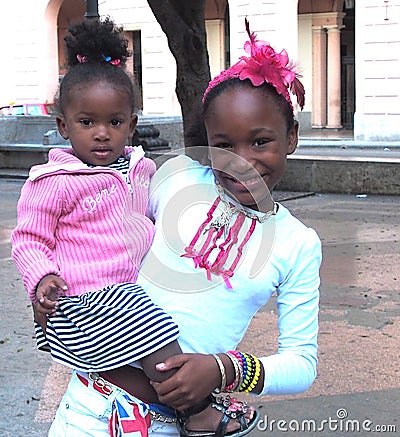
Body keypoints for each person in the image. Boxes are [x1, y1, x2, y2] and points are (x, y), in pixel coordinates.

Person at [42, 17, 322, 437]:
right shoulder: (174, 177)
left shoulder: (298, 243)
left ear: (292, 137)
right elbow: (89, 219)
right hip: (86, 410)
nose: (241, 161)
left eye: (260, 141)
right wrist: (46, 278)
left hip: (174, 425)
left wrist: (223, 370)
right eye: (224, 145)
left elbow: (302, 364)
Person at [11, 17, 256, 437]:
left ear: (132, 123)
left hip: (120, 300)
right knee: (154, 327)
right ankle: (197, 410)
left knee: (153, 334)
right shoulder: (54, 182)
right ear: (63, 126)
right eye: (87, 123)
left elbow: (155, 219)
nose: (102, 134)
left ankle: (178, 408)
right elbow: (28, 239)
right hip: (80, 303)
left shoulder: (139, 169)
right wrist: (42, 278)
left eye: (115, 122)